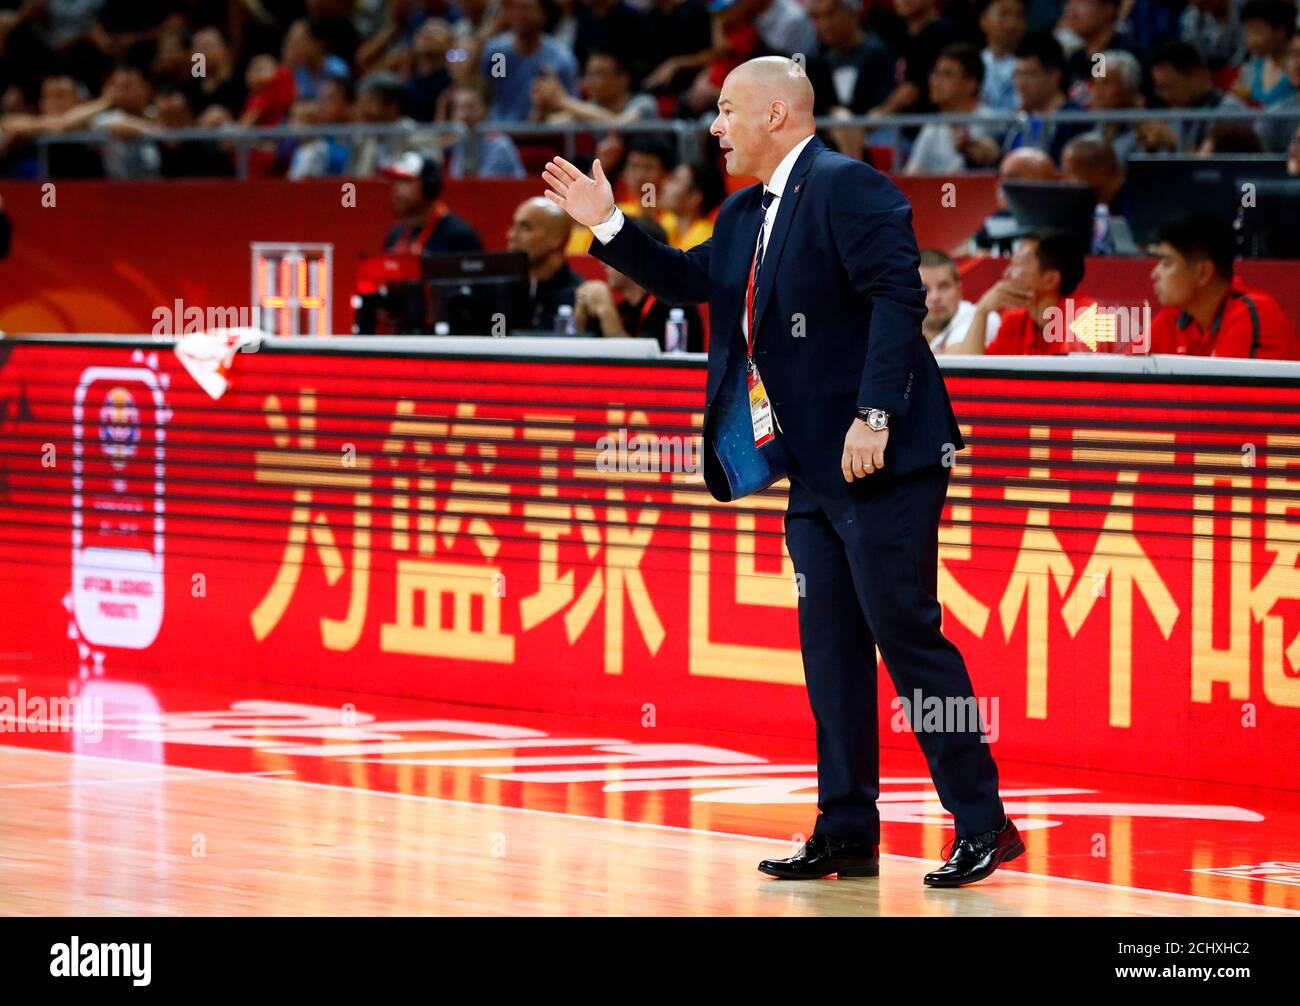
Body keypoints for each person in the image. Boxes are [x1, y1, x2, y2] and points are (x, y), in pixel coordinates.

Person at [543, 55, 1017, 887]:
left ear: (774, 115)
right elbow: (692, 282)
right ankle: (846, 829)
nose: (714, 128)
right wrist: (610, 226)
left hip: (883, 457)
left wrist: (876, 415)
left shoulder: (847, 186)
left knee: (906, 638)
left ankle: (982, 824)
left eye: (727, 111)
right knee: (830, 648)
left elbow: (897, 301)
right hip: (810, 467)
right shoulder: (742, 214)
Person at [1147, 212, 1298, 359]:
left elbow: (1229, 385)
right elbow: (1127, 374)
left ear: (1203, 273)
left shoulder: (1251, 315)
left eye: (1166, 263)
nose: (1154, 274)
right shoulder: (1175, 314)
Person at [573, 215, 707, 349]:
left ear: (633, 260)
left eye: (612, 255)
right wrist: (580, 318)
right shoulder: (625, 309)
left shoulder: (676, 308)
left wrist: (606, 312)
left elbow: (645, 364)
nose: (603, 264)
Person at [955, 230, 1095, 354]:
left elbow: (1069, 379)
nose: (1006, 274)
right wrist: (982, 311)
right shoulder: (1015, 320)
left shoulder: (1085, 318)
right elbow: (970, 374)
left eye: (1017, 265)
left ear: (1050, 280)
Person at [382, 151, 484, 255]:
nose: (396, 190)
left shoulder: (459, 237)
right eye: (396, 182)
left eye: (405, 182)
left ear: (429, 186)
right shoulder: (394, 236)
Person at [507, 195, 585, 330]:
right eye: (514, 226)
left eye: (526, 228)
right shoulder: (503, 294)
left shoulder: (579, 298)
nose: (511, 235)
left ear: (556, 238)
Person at [920, 249, 1001, 352]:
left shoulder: (983, 318)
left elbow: (957, 361)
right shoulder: (904, 322)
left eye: (944, 286)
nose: (935, 297)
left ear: (959, 290)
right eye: (924, 288)